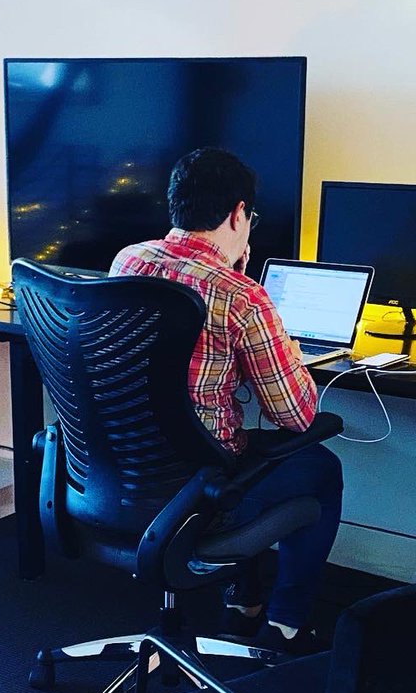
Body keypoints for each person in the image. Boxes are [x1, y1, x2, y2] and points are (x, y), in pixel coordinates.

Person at [110, 147, 342, 652]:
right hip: (198, 494)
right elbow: (297, 415)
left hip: (120, 477)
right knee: (319, 466)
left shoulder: (127, 260)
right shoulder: (241, 297)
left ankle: (243, 602)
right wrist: (289, 351)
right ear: (239, 214)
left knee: (242, 451)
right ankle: (286, 624)